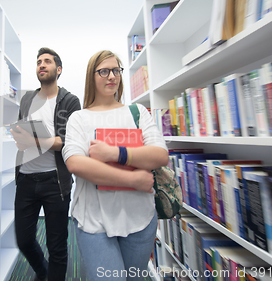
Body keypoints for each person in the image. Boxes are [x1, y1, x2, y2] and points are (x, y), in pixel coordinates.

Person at [62, 50, 169, 281]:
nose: (112, 76)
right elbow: (75, 163)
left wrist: (114, 153)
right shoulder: (78, 118)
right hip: (94, 220)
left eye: (116, 70)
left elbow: (160, 155)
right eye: (104, 71)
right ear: (92, 76)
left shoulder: (137, 112)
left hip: (140, 218)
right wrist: (132, 179)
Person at [11, 47, 81, 281]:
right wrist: (22, 139)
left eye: (47, 61)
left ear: (58, 69)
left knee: (57, 246)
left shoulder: (70, 101)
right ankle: (43, 272)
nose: (42, 64)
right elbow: (23, 132)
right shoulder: (27, 98)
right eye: (39, 61)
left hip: (55, 182)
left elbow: (70, 141)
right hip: (26, 180)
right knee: (24, 240)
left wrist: (35, 140)